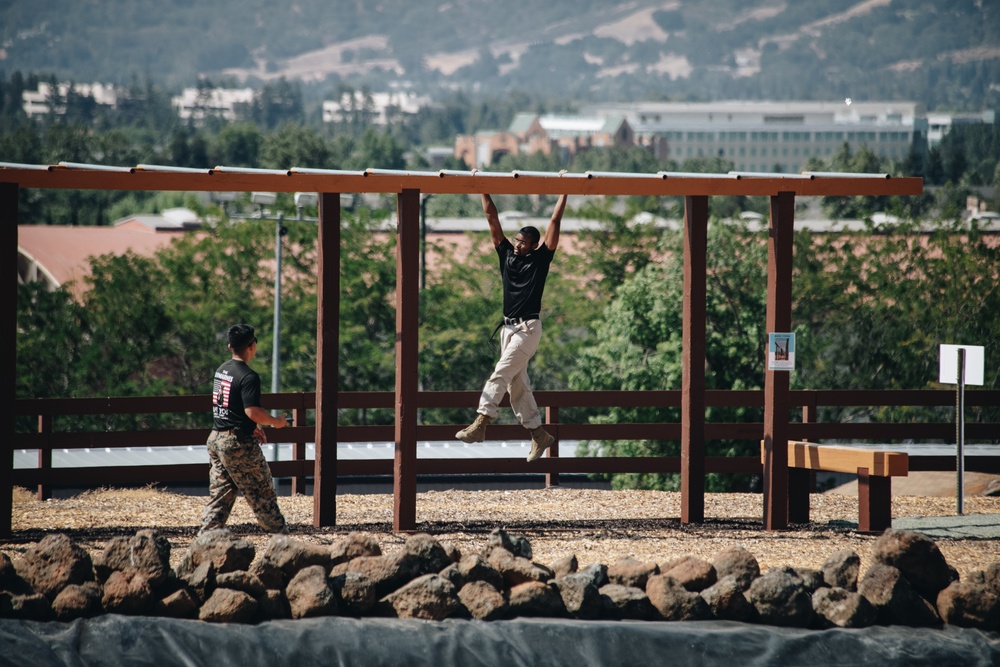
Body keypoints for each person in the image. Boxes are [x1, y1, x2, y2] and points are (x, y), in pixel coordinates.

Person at [456, 192, 568, 462]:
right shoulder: (506, 253)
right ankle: (539, 434)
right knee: (516, 386)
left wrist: (565, 192)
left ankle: (482, 420)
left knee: (501, 372)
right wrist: (482, 187)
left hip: (528, 329)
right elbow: (491, 217)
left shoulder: (540, 261)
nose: (518, 245)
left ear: (534, 245)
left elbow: (555, 220)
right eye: (517, 240)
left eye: (524, 242)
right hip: (508, 330)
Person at [200, 323, 289, 535]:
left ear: (230, 346)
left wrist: (253, 426)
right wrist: (275, 422)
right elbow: (252, 410)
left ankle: (205, 539)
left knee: (221, 494)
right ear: (252, 346)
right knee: (262, 493)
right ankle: (282, 540)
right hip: (237, 443)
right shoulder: (249, 376)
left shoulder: (222, 370)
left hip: (216, 438)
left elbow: (230, 405)